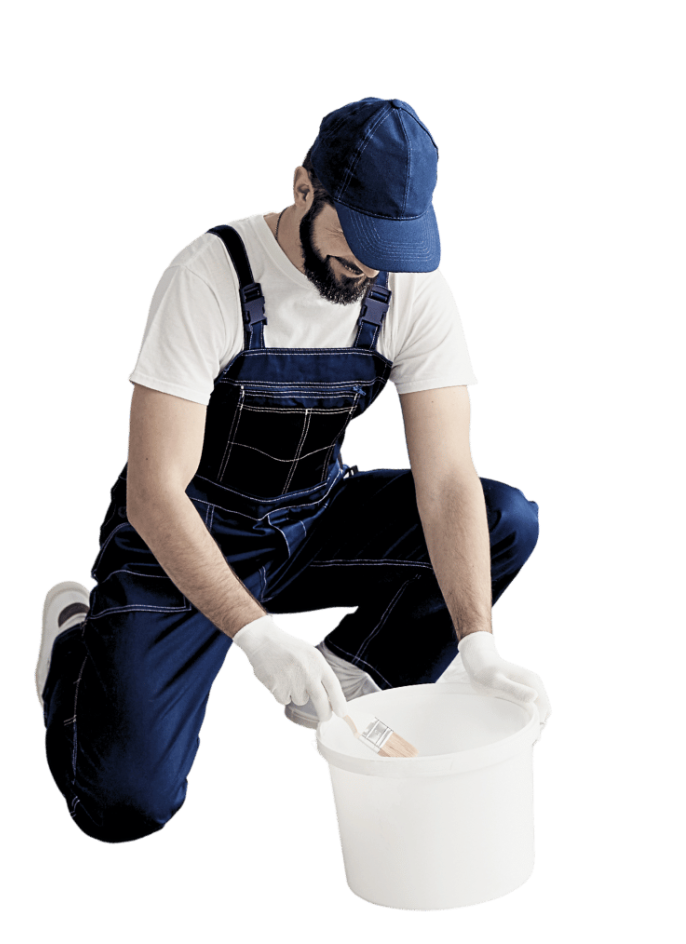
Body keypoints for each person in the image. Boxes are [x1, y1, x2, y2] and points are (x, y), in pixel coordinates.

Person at [34, 96, 551, 846]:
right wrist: (257, 636)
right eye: (358, 234)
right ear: (302, 186)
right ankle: (76, 649)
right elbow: (153, 493)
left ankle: (356, 662)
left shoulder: (410, 286)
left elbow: (446, 480)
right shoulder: (207, 277)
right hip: (183, 540)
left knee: (508, 518)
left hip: (312, 521)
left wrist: (477, 643)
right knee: (124, 806)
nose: (371, 264)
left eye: (391, 242)